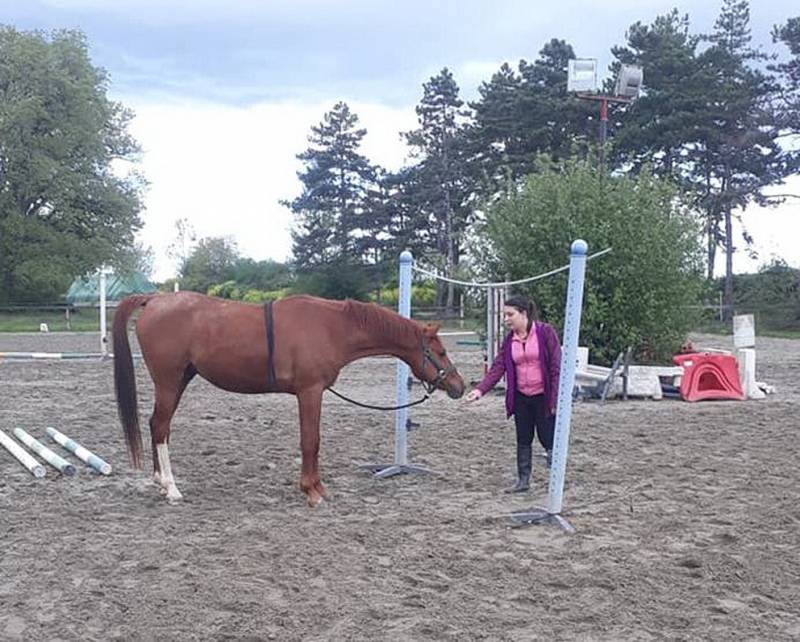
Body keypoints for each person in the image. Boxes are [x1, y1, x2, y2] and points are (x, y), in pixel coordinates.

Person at [465, 294, 562, 493]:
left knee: (548, 438)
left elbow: (555, 367)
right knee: (523, 438)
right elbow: (498, 367)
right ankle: (523, 481)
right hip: (521, 397)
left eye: (510, 314)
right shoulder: (510, 340)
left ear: (523, 313)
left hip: (544, 397)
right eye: (505, 315)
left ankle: (557, 478)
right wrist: (479, 390)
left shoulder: (545, 333)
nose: (506, 319)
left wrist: (554, 399)